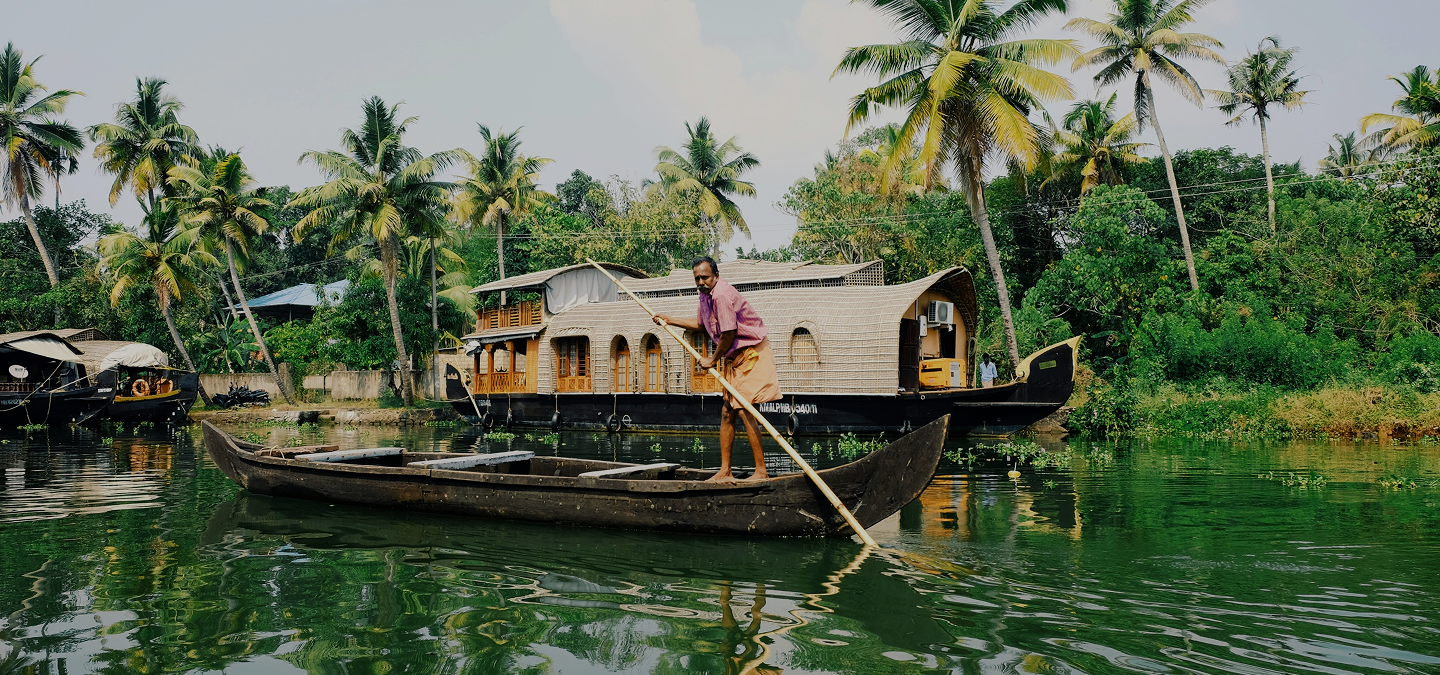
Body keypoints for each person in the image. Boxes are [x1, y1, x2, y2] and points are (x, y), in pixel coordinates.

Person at [654, 256, 781, 481]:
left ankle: (761, 472)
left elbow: (729, 333)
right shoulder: (705, 296)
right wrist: (669, 320)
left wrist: (712, 360)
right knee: (726, 412)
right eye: (697, 278)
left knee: (744, 409)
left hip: (751, 354)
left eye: (705, 277)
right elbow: (702, 325)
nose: (701, 282)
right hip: (735, 357)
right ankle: (725, 471)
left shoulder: (722, 294)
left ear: (716, 276)